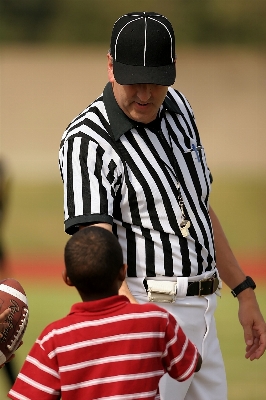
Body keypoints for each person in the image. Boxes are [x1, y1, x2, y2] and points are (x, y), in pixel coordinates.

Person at [58, 11, 266, 400]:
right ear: (110, 66)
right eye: (134, 80)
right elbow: (95, 252)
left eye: (157, 82)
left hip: (205, 314)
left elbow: (198, 207)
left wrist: (244, 291)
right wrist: (132, 325)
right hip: (146, 309)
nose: (145, 94)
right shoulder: (87, 140)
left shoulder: (180, 109)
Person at [8, 226, 201, 399]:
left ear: (67, 278)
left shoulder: (53, 339)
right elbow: (192, 363)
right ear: (123, 272)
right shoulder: (157, 321)